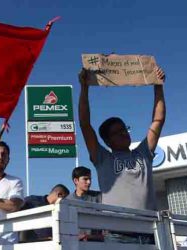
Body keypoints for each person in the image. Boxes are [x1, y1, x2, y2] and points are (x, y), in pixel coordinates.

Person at [79, 67, 166, 243]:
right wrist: (84, 87)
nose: (123, 133)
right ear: (107, 141)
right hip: (118, 236)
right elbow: (85, 124)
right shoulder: (102, 158)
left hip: (151, 233)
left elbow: (158, 120)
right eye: (117, 132)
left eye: (124, 129)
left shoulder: (143, 153)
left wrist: (158, 86)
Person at [68, 166, 103, 242]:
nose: (89, 182)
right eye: (85, 179)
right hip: (75, 244)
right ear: (76, 181)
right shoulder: (67, 201)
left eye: (90, 179)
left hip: (97, 243)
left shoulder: (98, 196)